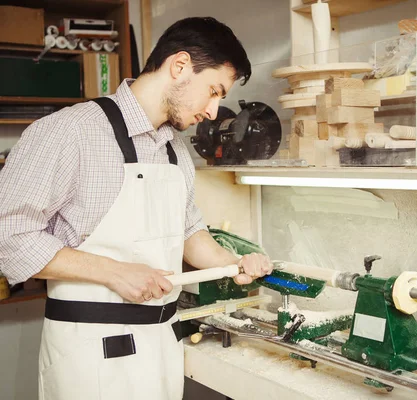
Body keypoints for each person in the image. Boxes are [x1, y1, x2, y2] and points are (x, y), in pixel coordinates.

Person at [0, 17, 272, 400]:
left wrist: (232, 263)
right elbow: (8, 238)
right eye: (213, 91)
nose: (213, 112)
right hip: (91, 355)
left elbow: (189, 232)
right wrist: (113, 273)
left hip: (161, 346)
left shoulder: (176, 149)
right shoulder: (69, 131)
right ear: (179, 66)